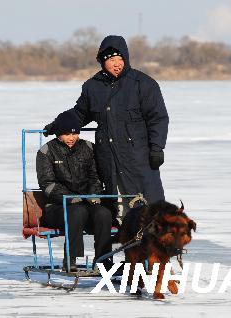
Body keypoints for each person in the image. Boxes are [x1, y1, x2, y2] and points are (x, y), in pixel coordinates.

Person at [43, 35, 169, 222]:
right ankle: (127, 243)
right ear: (102, 61)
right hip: (108, 157)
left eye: (120, 59)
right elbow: (80, 113)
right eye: (111, 59)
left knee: (151, 206)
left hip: (139, 157)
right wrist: (58, 125)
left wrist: (157, 147)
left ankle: (158, 247)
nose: (117, 64)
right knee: (118, 206)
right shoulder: (92, 87)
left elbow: (158, 118)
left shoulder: (143, 84)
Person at [36, 111, 113, 272]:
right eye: (66, 133)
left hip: (87, 202)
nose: (71, 137)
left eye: (75, 133)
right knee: (77, 212)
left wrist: (93, 194)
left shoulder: (88, 147)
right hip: (57, 207)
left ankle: (103, 260)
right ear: (58, 133)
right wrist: (70, 198)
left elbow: (95, 176)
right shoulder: (47, 151)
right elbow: (47, 184)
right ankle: (70, 259)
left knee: (104, 214)